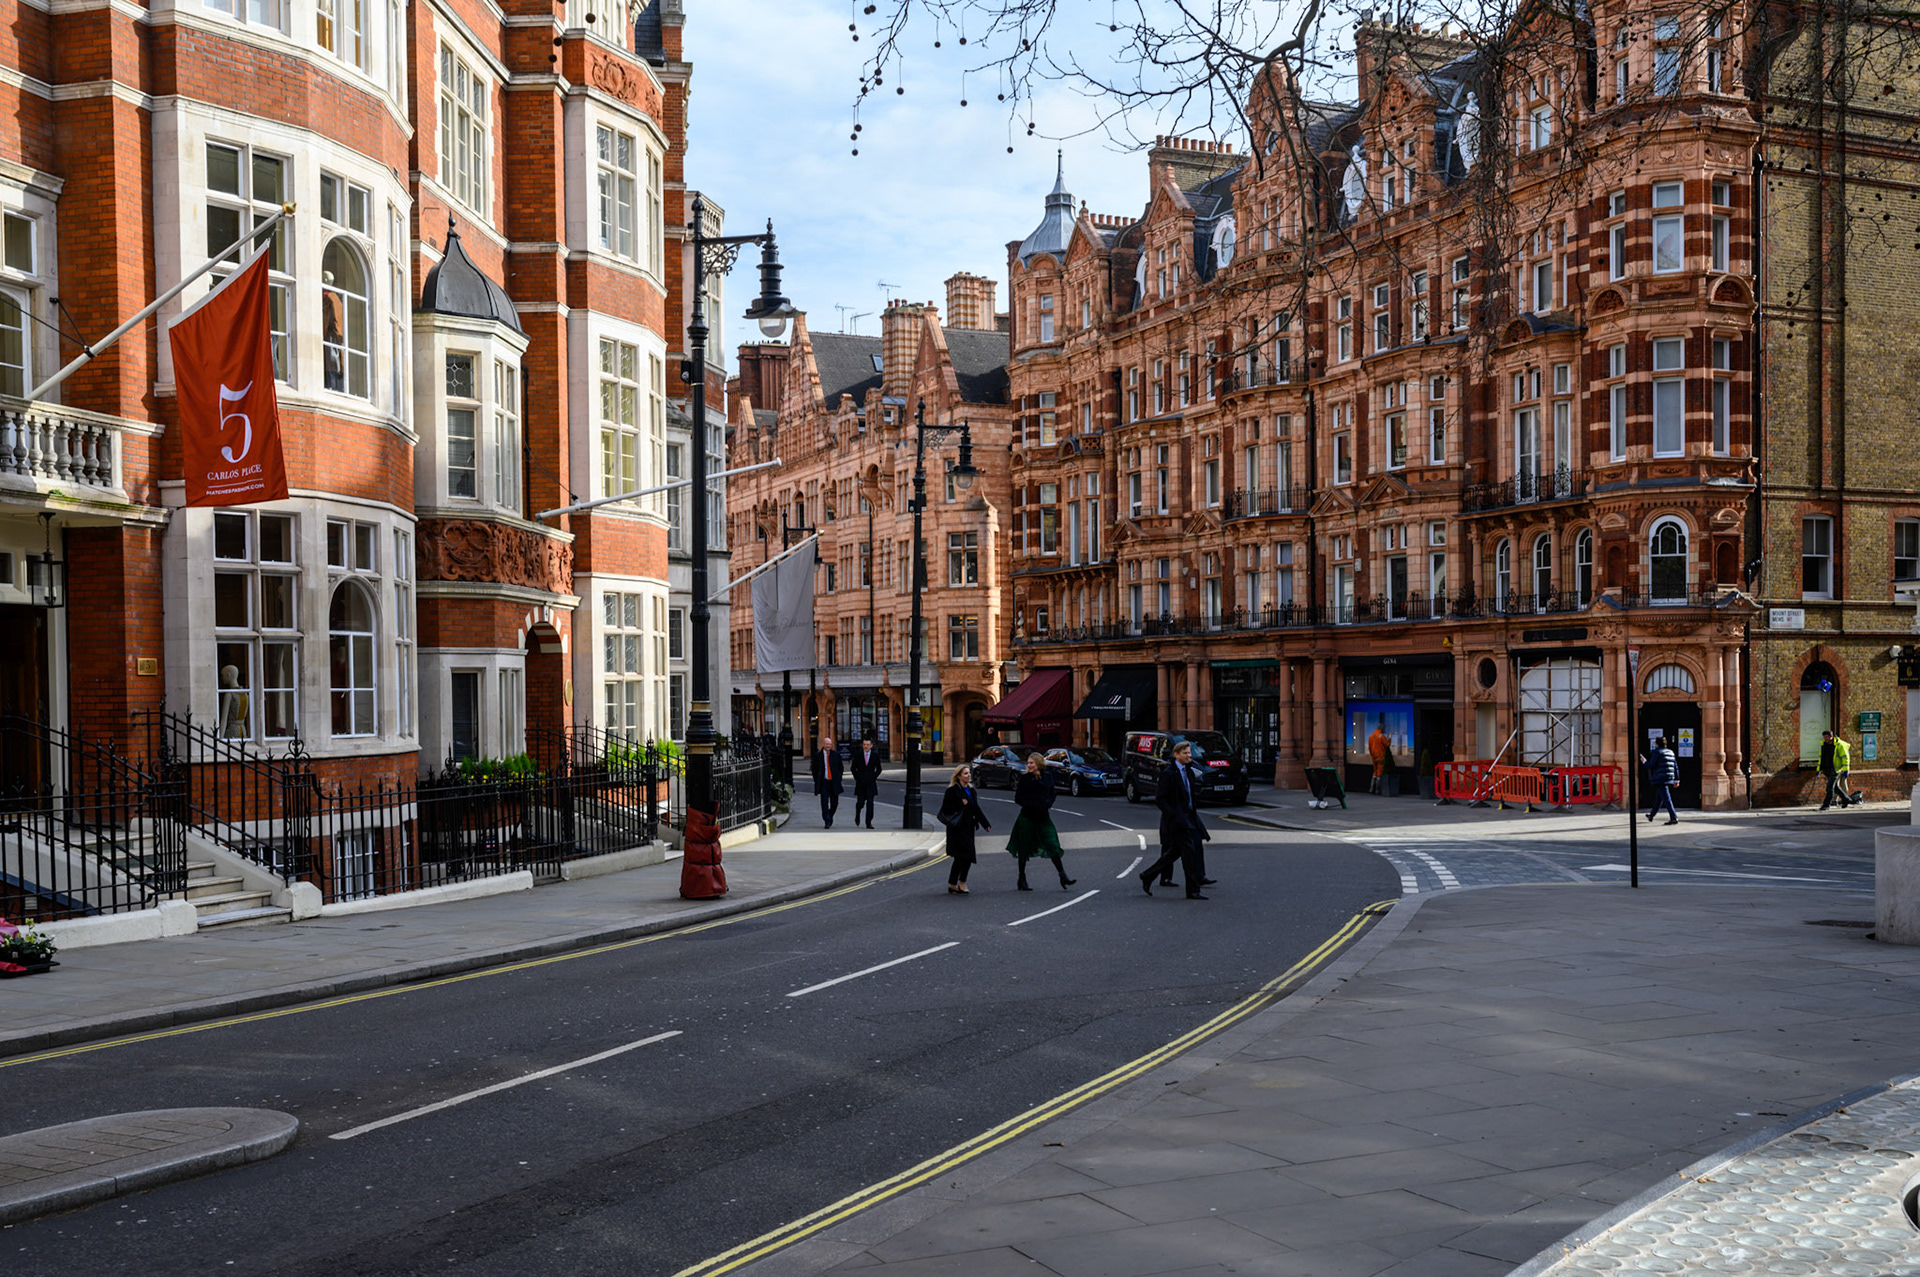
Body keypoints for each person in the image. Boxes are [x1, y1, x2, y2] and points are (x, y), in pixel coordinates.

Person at [1142, 740, 1212, 898]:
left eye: (1189, 753)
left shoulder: (1188, 771)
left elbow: (1190, 795)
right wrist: (1174, 815)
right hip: (1177, 821)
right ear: (1176, 755)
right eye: (1185, 753)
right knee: (1189, 855)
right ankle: (1193, 891)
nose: (1189, 756)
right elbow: (1161, 799)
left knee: (1174, 853)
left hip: (1190, 818)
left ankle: (1147, 875)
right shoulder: (1168, 773)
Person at [1007, 752, 1075, 891]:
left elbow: (1052, 792)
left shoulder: (1047, 777)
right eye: (1028, 763)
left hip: (1043, 817)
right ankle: (1021, 879)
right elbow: (1018, 798)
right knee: (1024, 848)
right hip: (1027, 818)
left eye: (1031, 762)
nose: (1029, 765)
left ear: (1038, 763)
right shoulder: (1025, 779)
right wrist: (1032, 805)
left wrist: (1048, 803)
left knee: (1052, 844)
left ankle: (1063, 876)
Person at [938, 764, 991, 893]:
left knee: (966, 856)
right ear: (959, 776)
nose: (969, 775)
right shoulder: (952, 790)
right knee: (961, 856)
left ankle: (956, 883)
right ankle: (959, 883)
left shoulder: (971, 791)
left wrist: (985, 824)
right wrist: (959, 803)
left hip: (968, 827)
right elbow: (946, 808)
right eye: (966, 773)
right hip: (956, 828)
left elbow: (975, 808)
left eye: (969, 773)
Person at [811, 734, 844, 828]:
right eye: (827, 744)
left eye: (830, 744)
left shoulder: (836, 755)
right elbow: (814, 769)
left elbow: (840, 768)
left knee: (835, 802)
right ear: (823, 744)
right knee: (824, 802)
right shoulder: (818, 755)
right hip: (824, 782)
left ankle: (829, 815)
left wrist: (839, 778)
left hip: (833, 782)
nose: (828, 746)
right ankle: (827, 821)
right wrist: (816, 781)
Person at [1645, 737, 1680, 824]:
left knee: (1667, 799)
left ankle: (1673, 817)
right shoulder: (1671, 752)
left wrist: (1644, 761)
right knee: (1659, 798)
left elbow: (1651, 765)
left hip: (1660, 778)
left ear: (1657, 744)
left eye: (1655, 743)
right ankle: (1651, 815)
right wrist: (1677, 779)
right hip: (1669, 778)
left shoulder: (1657, 752)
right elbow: (1676, 766)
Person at [850, 734, 882, 829]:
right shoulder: (858, 755)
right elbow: (853, 768)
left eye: (868, 744)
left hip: (871, 783)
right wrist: (857, 778)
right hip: (860, 783)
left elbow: (879, 769)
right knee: (860, 802)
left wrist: (874, 777)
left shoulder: (875, 755)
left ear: (871, 745)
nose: (866, 746)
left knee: (870, 804)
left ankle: (869, 822)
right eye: (864, 744)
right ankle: (858, 813)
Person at [1818, 729, 1855, 810]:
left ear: (1831, 737)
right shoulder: (1824, 745)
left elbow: (1845, 758)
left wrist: (1846, 770)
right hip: (1827, 769)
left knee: (1829, 788)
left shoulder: (1839, 745)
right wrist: (1819, 769)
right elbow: (1821, 758)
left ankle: (1826, 804)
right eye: (1824, 737)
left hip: (1835, 770)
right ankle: (1846, 799)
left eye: (1827, 737)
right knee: (1835, 787)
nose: (1825, 739)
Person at [1367, 717, 1394, 794]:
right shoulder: (1381, 736)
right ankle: (1377, 789)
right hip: (1381, 757)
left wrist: (1372, 755)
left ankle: (1371, 788)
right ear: (1382, 729)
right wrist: (1390, 738)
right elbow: (1387, 745)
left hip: (1374, 757)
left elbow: (1369, 747)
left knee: (1374, 772)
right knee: (1379, 772)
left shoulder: (1371, 736)